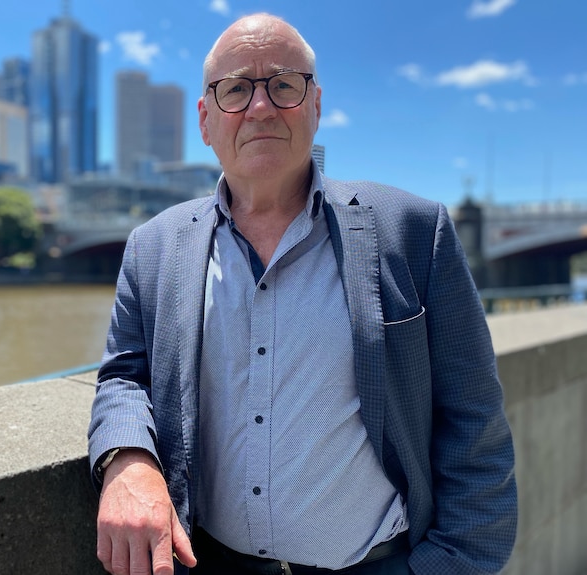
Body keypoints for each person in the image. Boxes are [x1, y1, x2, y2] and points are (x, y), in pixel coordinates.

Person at [88, 12, 516, 575]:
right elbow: (124, 375)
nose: (260, 107)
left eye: (283, 85)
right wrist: (128, 459)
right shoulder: (153, 247)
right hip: (211, 561)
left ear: (315, 105)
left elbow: (474, 417)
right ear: (206, 120)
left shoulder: (415, 230)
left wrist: (452, 564)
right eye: (235, 89)